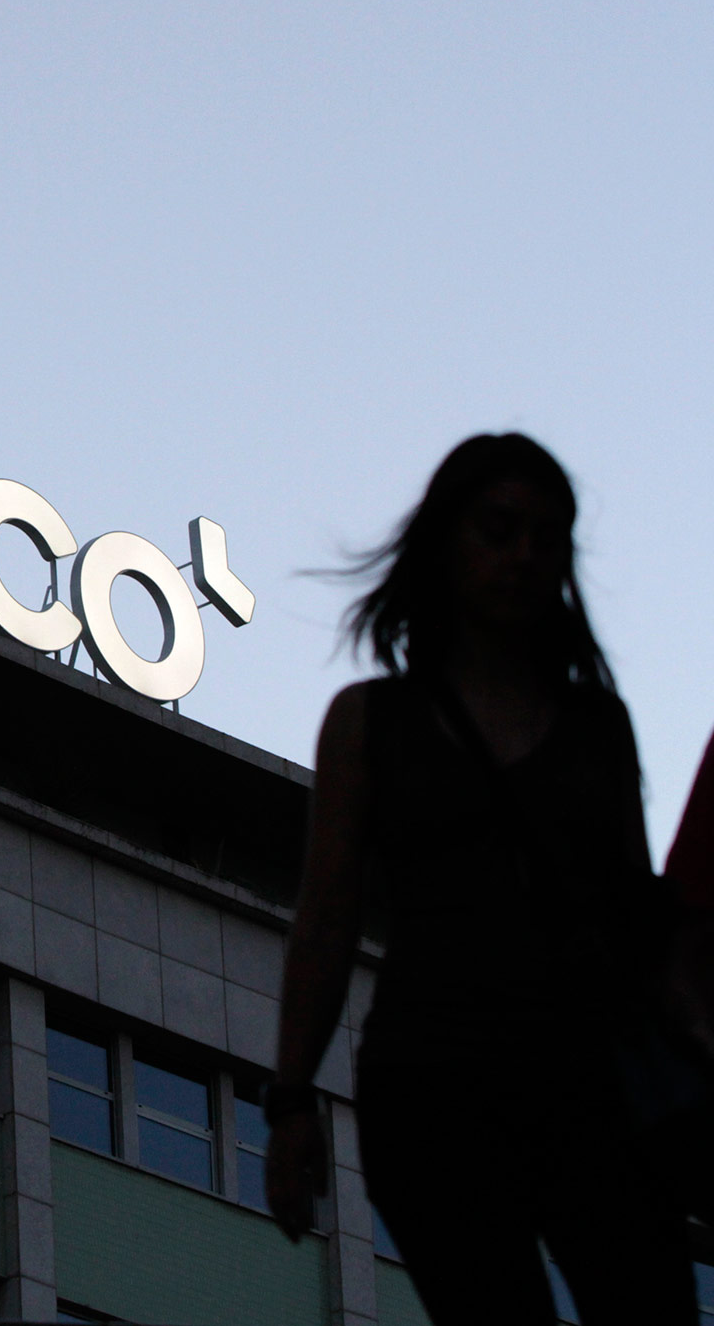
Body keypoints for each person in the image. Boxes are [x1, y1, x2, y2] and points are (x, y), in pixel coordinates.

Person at [265, 433, 693, 1325]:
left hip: (585, 1084)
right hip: (435, 1086)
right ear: (446, 543)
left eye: (548, 538)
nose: (524, 557)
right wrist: (291, 1099)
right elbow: (327, 916)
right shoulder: (370, 723)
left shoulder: (596, 729)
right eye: (500, 529)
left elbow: (637, 922)